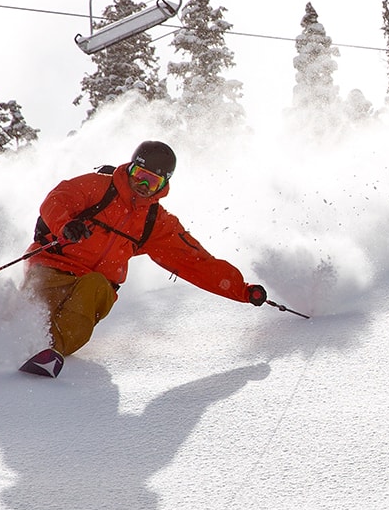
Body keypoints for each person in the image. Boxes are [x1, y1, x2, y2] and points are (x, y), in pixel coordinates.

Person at [19, 140, 267, 377]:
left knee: (94, 286)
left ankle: (47, 352)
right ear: (130, 168)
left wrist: (242, 291)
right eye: (139, 174)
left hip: (94, 288)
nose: (143, 185)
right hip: (53, 267)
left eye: (152, 180)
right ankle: (0, 342)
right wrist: (66, 225)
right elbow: (58, 198)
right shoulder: (100, 187)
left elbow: (196, 262)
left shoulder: (156, 223)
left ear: (164, 184)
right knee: (28, 313)